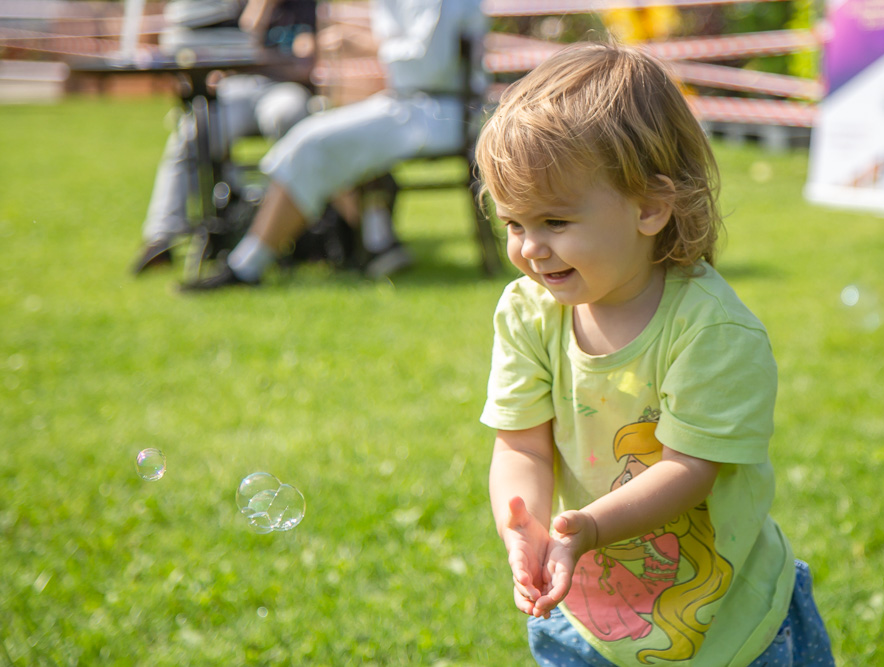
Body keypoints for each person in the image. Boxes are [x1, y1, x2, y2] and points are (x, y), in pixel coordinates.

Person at [478, 43, 835, 666]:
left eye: (556, 222)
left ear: (650, 206)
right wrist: (527, 525)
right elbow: (522, 445)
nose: (532, 247)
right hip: (586, 621)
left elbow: (686, 469)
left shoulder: (712, 330)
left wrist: (588, 528)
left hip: (732, 628)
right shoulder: (528, 312)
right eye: (514, 224)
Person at [181, 0, 487, 290]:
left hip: (437, 114)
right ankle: (378, 240)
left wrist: (365, 44)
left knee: (312, 140)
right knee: (321, 132)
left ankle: (249, 265)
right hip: (418, 106)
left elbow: (428, 64)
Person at [133, 0, 318, 274]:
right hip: (237, 88)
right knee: (196, 128)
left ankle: (292, 225)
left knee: (288, 115)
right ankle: (161, 236)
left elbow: (304, 60)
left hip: (282, 88)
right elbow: (230, 51)